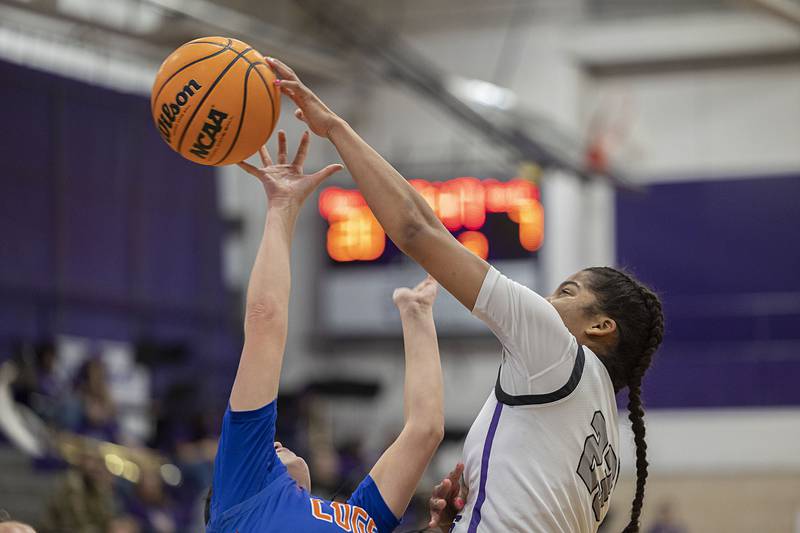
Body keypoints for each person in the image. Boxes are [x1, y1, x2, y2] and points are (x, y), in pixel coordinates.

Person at [265, 57, 665, 533]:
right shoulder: (603, 446)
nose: (547, 298)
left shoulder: (556, 351)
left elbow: (415, 228)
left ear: (601, 326)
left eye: (567, 291)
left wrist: (335, 128)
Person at [205, 132, 445, 532]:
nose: (274, 442)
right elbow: (265, 320)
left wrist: (417, 316)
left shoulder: (360, 515)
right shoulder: (243, 490)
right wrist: (281, 207)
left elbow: (424, 430)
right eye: (269, 450)